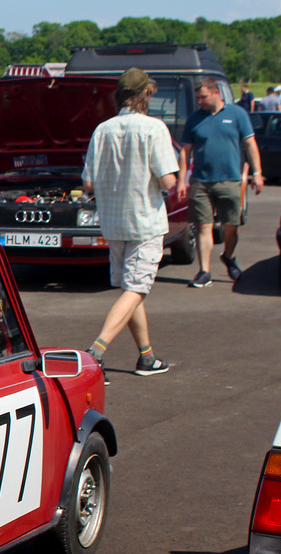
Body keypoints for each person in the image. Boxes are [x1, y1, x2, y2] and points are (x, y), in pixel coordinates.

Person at [82, 69, 179, 380]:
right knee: (137, 288)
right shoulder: (154, 128)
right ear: (145, 94)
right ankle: (96, 351)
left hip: (113, 221)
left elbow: (87, 184)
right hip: (145, 220)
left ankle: (146, 357)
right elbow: (167, 180)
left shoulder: (102, 129)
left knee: (130, 289)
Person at [178, 77, 264, 288]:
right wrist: (181, 180)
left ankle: (228, 256)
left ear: (216, 93)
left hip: (230, 180)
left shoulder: (237, 114)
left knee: (231, 227)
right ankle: (204, 271)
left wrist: (258, 172)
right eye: (198, 97)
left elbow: (250, 144)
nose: (200, 101)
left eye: (204, 97)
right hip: (201, 181)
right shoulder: (194, 119)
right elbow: (185, 151)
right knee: (202, 226)